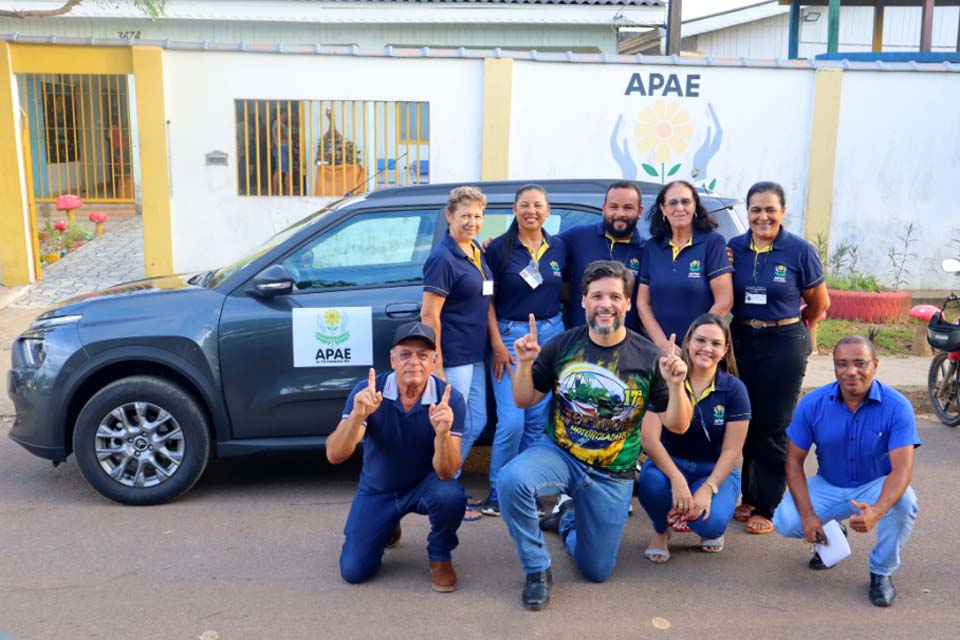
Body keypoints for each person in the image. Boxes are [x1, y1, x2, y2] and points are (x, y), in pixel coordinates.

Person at [497, 260, 692, 611]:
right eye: (597, 295)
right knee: (512, 479)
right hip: (560, 453)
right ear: (583, 301)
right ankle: (537, 569)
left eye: (615, 296)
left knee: (596, 570)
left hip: (612, 474)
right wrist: (524, 364)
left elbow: (678, 425)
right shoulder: (563, 346)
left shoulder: (649, 357)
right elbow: (524, 399)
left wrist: (677, 387)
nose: (606, 304)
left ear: (628, 304)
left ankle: (567, 519)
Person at [773, 335, 920, 607]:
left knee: (905, 502)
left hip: (874, 485)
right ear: (834, 367)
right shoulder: (812, 404)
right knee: (785, 521)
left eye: (860, 363)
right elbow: (793, 462)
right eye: (842, 363)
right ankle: (833, 532)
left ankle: (881, 572)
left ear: (875, 365)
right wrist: (808, 516)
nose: (851, 371)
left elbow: (902, 469)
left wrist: (876, 511)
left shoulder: (897, 406)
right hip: (828, 484)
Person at [327, 321, 467, 592]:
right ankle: (388, 523)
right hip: (379, 489)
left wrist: (442, 434)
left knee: (451, 495)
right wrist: (357, 416)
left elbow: (447, 472)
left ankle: (440, 555)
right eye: (405, 354)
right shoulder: (368, 392)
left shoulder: (450, 400)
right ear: (392, 359)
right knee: (355, 571)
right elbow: (335, 455)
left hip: (425, 486)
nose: (413, 362)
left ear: (434, 361)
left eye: (422, 355)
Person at [727, 181, 830, 535]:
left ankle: (767, 504)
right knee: (745, 419)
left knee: (773, 424)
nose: (762, 216)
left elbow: (820, 303)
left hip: (783, 340)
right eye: (755, 209)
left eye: (770, 209)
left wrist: (804, 330)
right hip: (741, 338)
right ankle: (748, 494)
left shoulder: (798, 250)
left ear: (783, 212)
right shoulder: (734, 248)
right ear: (747, 212)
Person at [636, 313, 750, 562]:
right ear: (687, 343)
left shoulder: (734, 389)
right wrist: (676, 479)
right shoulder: (666, 377)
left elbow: (732, 450)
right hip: (670, 463)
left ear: (725, 349)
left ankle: (698, 517)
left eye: (716, 343)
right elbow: (650, 440)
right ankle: (660, 530)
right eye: (700, 340)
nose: (707, 348)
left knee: (710, 525)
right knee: (653, 485)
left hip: (712, 469)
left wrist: (708, 489)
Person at [483, 184, 567, 516]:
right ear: (514, 210)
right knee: (512, 420)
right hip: (510, 337)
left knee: (536, 420)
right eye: (524, 205)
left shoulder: (559, 246)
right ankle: (497, 488)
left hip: (550, 333)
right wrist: (496, 344)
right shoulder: (498, 249)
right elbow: (485, 299)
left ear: (548, 211)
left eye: (538, 205)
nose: (531, 210)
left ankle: (527, 489)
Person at [421, 185, 493, 521]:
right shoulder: (442, 258)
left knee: (476, 420)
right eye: (465, 215)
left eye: (478, 216)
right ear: (449, 216)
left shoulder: (474, 249)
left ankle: (447, 478)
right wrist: (435, 361)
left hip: (474, 354)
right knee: (454, 425)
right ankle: (445, 490)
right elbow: (429, 315)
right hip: (453, 356)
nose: (472, 221)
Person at [636, 181, 733, 356]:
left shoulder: (712, 243)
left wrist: (696, 343)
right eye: (673, 203)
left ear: (695, 206)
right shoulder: (653, 247)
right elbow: (643, 302)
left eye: (685, 202)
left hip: (701, 353)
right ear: (663, 209)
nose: (679, 208)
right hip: (658, 351)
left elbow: (724, 301)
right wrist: (663, 344)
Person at [558, 181, 646, 334]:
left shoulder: (647, 250)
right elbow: (550, 271)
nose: (620, 214)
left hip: (627, 345)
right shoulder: (577, 237)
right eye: (613, 207)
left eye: (628, 208)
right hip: (580, 340)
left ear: (640, 211)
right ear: (604, 209)